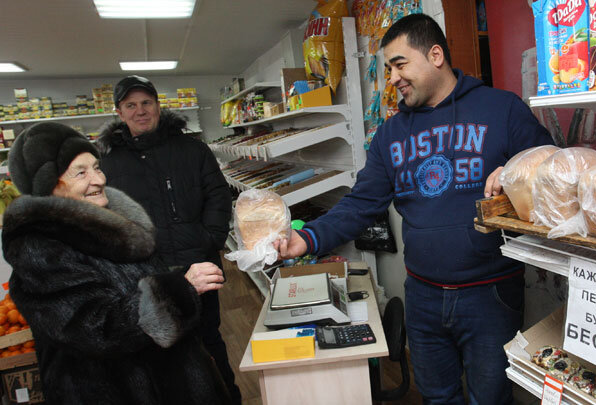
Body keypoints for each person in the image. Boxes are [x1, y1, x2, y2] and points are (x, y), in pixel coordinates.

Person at [275, 14, 554, 405]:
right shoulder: (391, 134)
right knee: (437, 398)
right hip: (423, 296)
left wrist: (516, 171)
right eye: (388, 69)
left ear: (435, 55)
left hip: (490, 295)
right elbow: (361, 203)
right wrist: (306, 238)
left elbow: (552, 167)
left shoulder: (501, 108)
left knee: (491, 399)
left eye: (399, 64)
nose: (392, 78)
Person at [2, 122, 231, 404]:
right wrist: (178, 291)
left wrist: (179, 282)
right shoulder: (38, 246)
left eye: (96, 167)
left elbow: (132, 287)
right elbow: (95, 328)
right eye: (81, 173)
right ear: (49, 184)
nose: (98, 179)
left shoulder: (111, 225)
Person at [97, 75, 242, 403]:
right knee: (158, 348)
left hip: (198, 263)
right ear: (119, 112)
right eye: (131, 105)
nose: (140, 111)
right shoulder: (108, 162)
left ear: (158, 106)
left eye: (146, 103)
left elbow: (218, 195)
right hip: (147, 275)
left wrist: (210, 238)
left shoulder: (192, 149)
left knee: (208, 340)